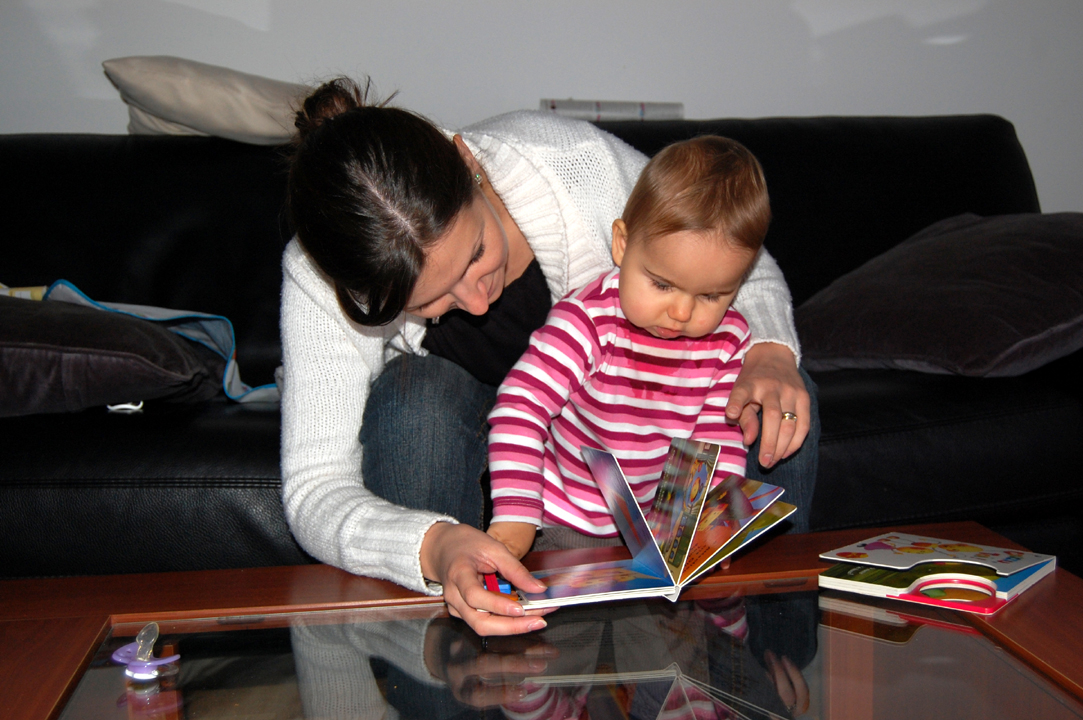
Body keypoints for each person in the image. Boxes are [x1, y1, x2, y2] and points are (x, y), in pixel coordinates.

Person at [280, 77, 817, 636]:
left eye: (476, 254)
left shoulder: (573, 164)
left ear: (471, 166)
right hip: (474, 408)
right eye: (429, 302)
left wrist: (771, 351)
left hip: (607, 404)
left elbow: (725, 250)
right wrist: (434, 547)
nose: (477, 302)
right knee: (415, 402)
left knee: (777, 398)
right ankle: (437, 651)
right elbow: (316, 490)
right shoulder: (328, 270)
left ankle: (771, 651)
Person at [486, 136, 770, 557]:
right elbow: (521, 406)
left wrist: (712, 523)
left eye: (711, 296)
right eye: (662, 284)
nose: (681, 312)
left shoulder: (727, 341)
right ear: (622, 243)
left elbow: (714, 443)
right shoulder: (587, 322)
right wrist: (515, 517)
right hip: (565, 522)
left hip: (657, 531)